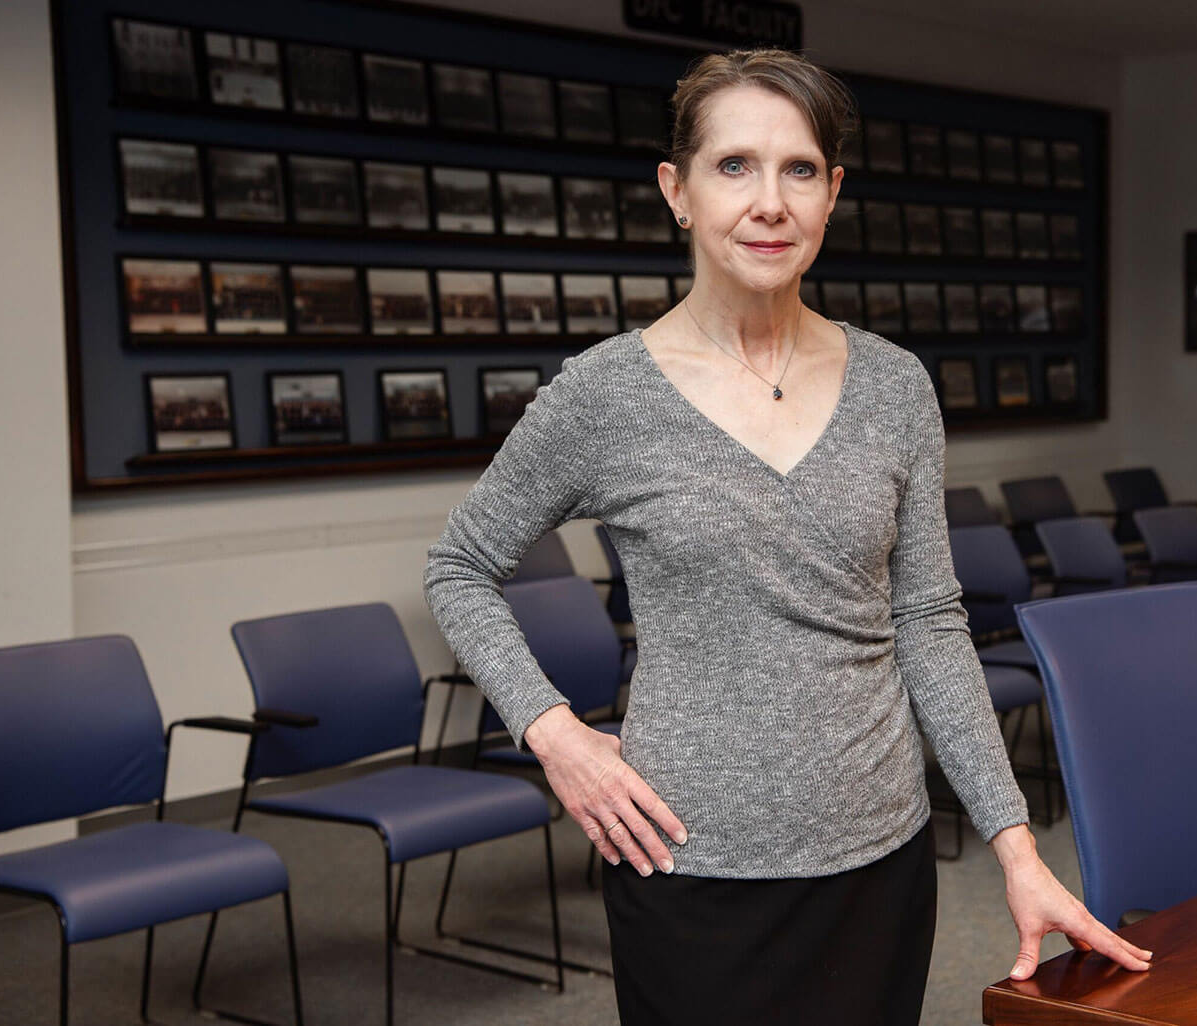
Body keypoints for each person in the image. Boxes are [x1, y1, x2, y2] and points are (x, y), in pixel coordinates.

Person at [424, 48, 1150, 1026]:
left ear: (832, 193)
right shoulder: (606, 396)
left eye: (799, 169)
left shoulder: (896, 387)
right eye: (734, 167)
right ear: (676, 192)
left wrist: (1015, 848)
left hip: (880, 865)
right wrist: (553, 733)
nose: (769, 201)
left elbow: (929, 623)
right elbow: (460, 566)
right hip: (690, 864)